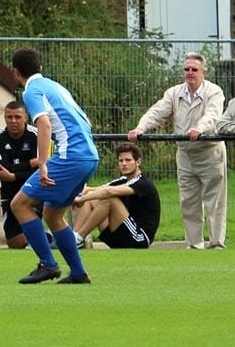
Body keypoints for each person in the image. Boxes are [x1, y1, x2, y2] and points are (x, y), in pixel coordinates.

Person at [9, 47, 99, 284]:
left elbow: (45, 126)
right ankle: (78, 273)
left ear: (16, 72)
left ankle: (48, 265)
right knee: (52, 214)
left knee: (19, 204)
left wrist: (42, 164)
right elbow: (86, 121)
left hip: (72, 156)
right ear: (40, 67)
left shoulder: (31, 91)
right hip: (89, 155)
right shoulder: (56, 87)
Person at [127, 52, 227, 250]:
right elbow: (157, 112)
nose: (190, 73)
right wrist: (140, 128)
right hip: (185, 154)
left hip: (209, 153)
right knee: (189, 202)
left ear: (203, 72)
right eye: (187, 69)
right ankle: (194, 245)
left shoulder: (214, 92)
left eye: (194, 70)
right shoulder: (175, 93)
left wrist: (200, 128)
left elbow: (213, 115)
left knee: (213, 202)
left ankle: (216, 244)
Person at [72, 142, 161, 249]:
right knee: (91, 198)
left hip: (139, 238)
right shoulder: (123, 180)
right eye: (121, 161)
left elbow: (108, 192)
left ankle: (79, 237)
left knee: (110, 199)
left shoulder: (143, 183)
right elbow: (94, 189)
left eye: (128, 160)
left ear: (138, 162)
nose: (124, 164)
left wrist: (81, 199)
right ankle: (73, 238)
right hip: (120, 235)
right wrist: (77, 195)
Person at [0, 100, 41, 249]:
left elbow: (41, 168)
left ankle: (45, 238)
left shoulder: (36, 135)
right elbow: (3, 169)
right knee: (15, 244)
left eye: (17, 117)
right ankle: (47, 238)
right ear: (4, 118)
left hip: (32, 190)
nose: (13, 121)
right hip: (9, 192)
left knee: (32, 238)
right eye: (9, 117)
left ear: (25, 117)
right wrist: (30, 163)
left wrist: (14, 176)